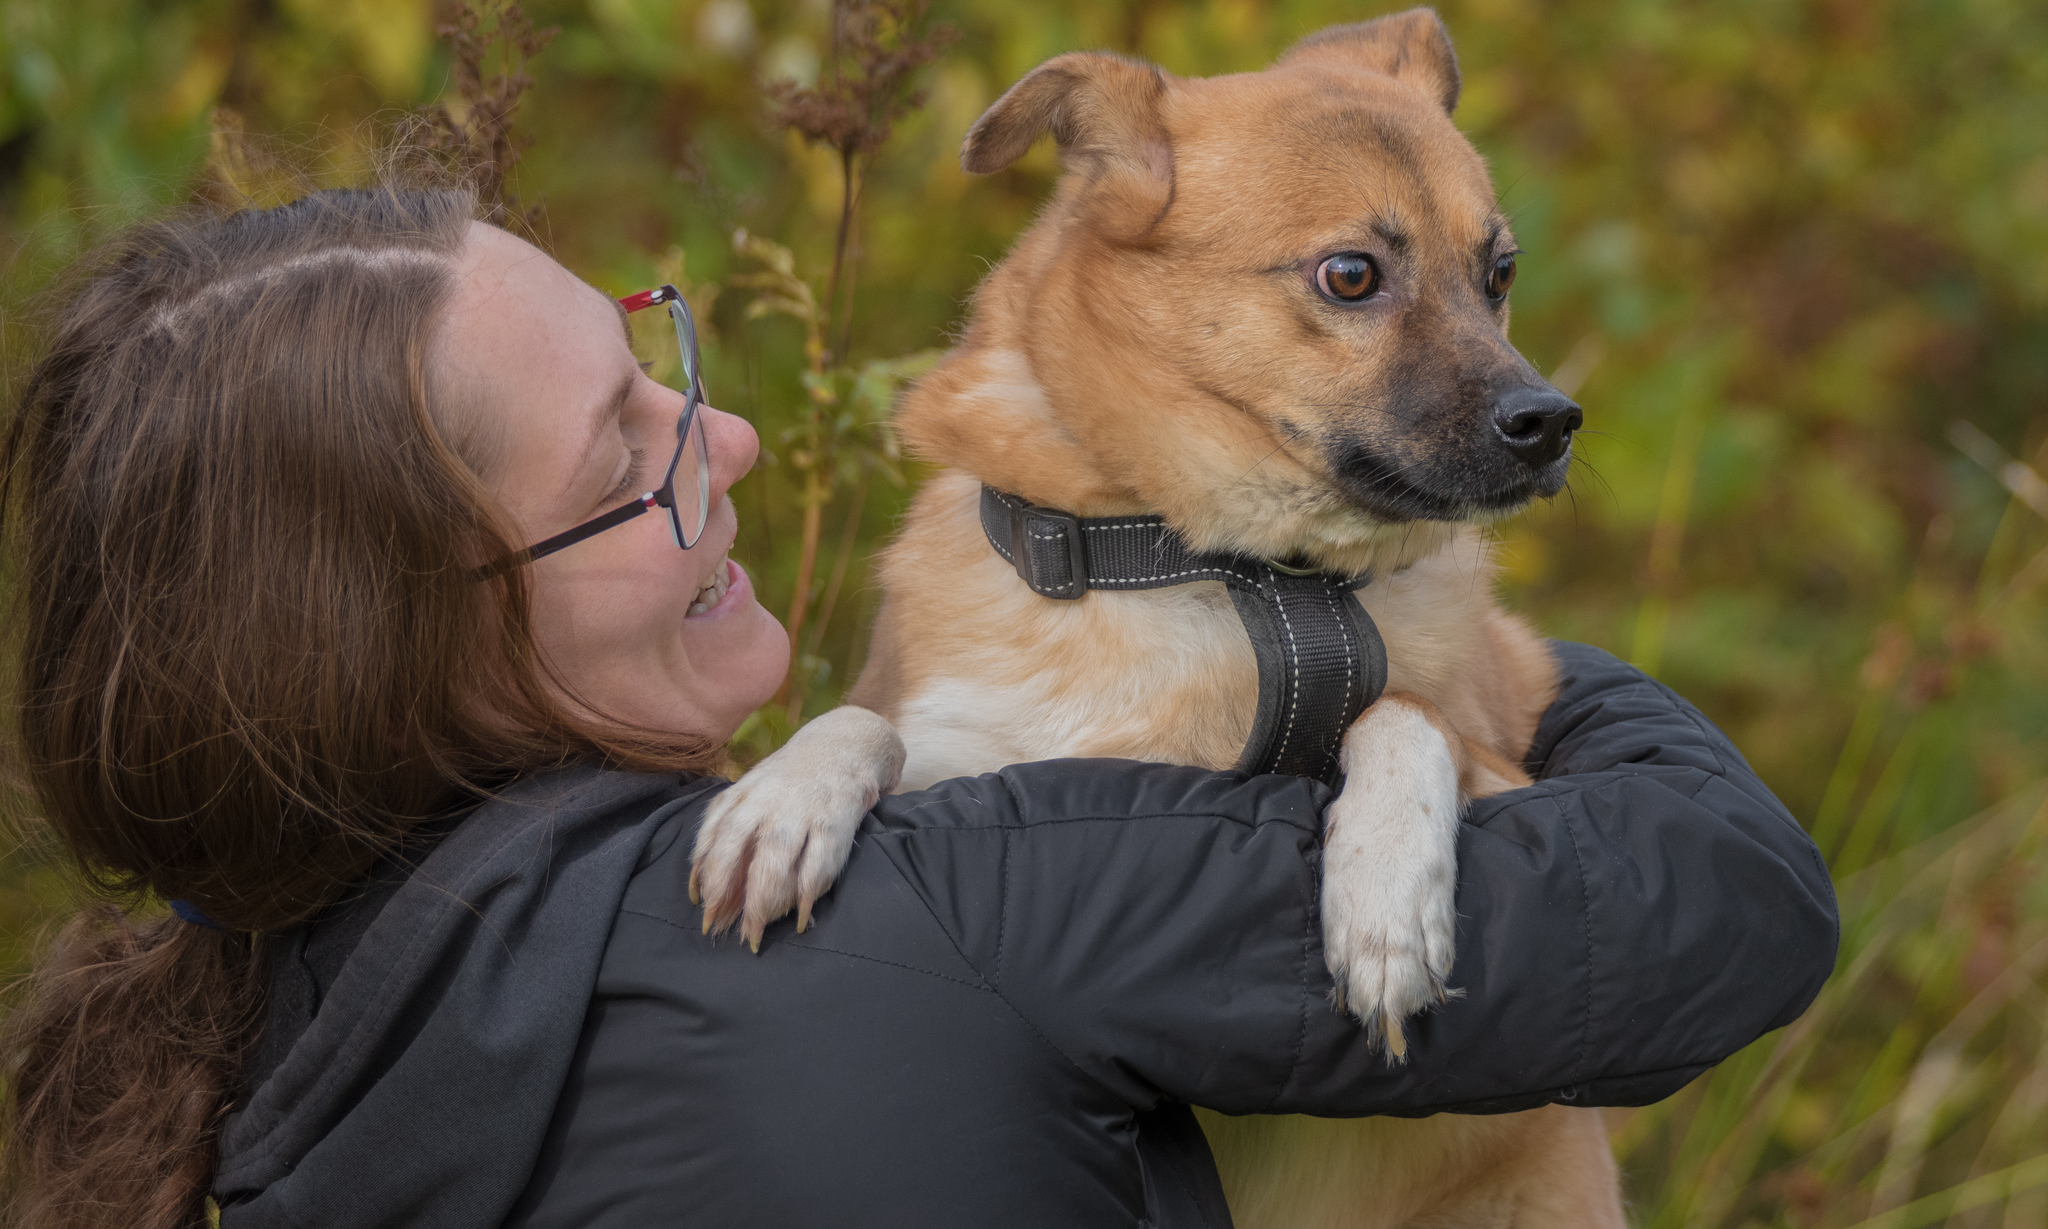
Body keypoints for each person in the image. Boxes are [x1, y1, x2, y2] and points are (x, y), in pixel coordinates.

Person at [0, 184, 1837, 1229]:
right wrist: (1470, 666)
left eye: (666, 365)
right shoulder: (949, 906)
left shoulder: (256, 1086)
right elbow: (1724, 902)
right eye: (623, 459)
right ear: (413, 630)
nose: (719, 439)